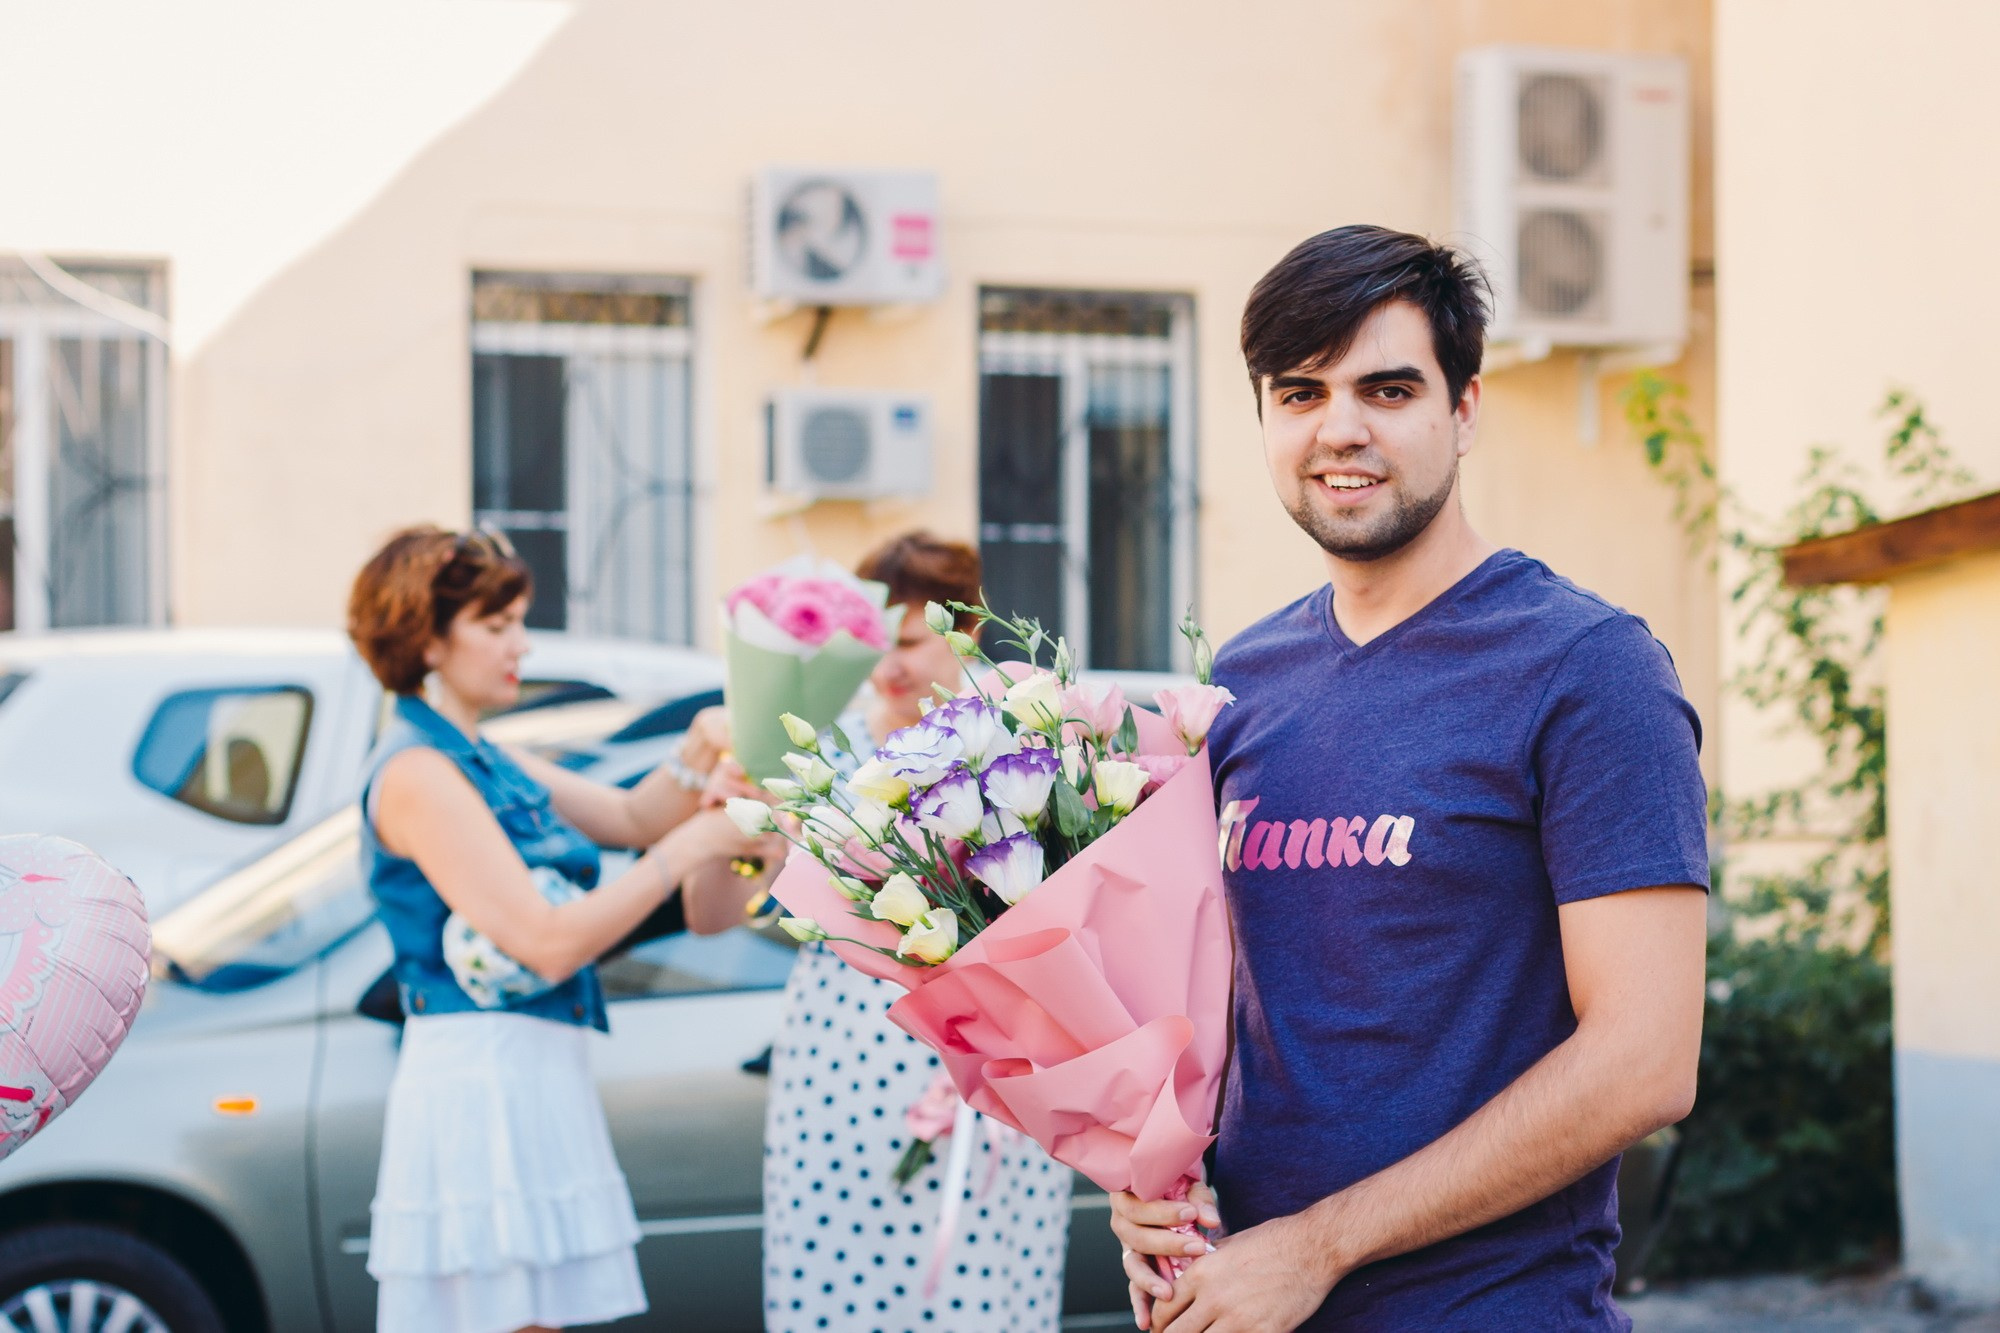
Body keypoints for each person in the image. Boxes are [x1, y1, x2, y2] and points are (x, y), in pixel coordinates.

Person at [1110, 226, 1710, 1331]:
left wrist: (1322, 1246)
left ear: (1464, 409)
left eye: (1387, 389)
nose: (1339, 429)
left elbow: (1643, 1060)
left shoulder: (1584, 669)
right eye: (1299, 393)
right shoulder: (1237, 684)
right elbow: (1228, 1013)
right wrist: (1146, 1182)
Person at [348, 525, 771, 1333]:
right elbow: (543, 940)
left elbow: (627, 815)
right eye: (497, 625)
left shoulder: (475, 751)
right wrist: (697, 845)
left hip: (528, 1067)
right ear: (426, 639)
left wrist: (700, 750)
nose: (522, 644)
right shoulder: (415, 772)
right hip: (479, 1076)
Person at [700, 532, 1074, 1333]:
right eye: (879, 644)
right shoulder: (818, 755)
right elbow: (714, 914)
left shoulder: (1017, 750)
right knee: (840, 1279)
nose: (892, 667)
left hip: (992, 1062)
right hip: (843, 1063)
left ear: (962, 632)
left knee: (981, 1289)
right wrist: (730, 821)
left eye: (909, 641)